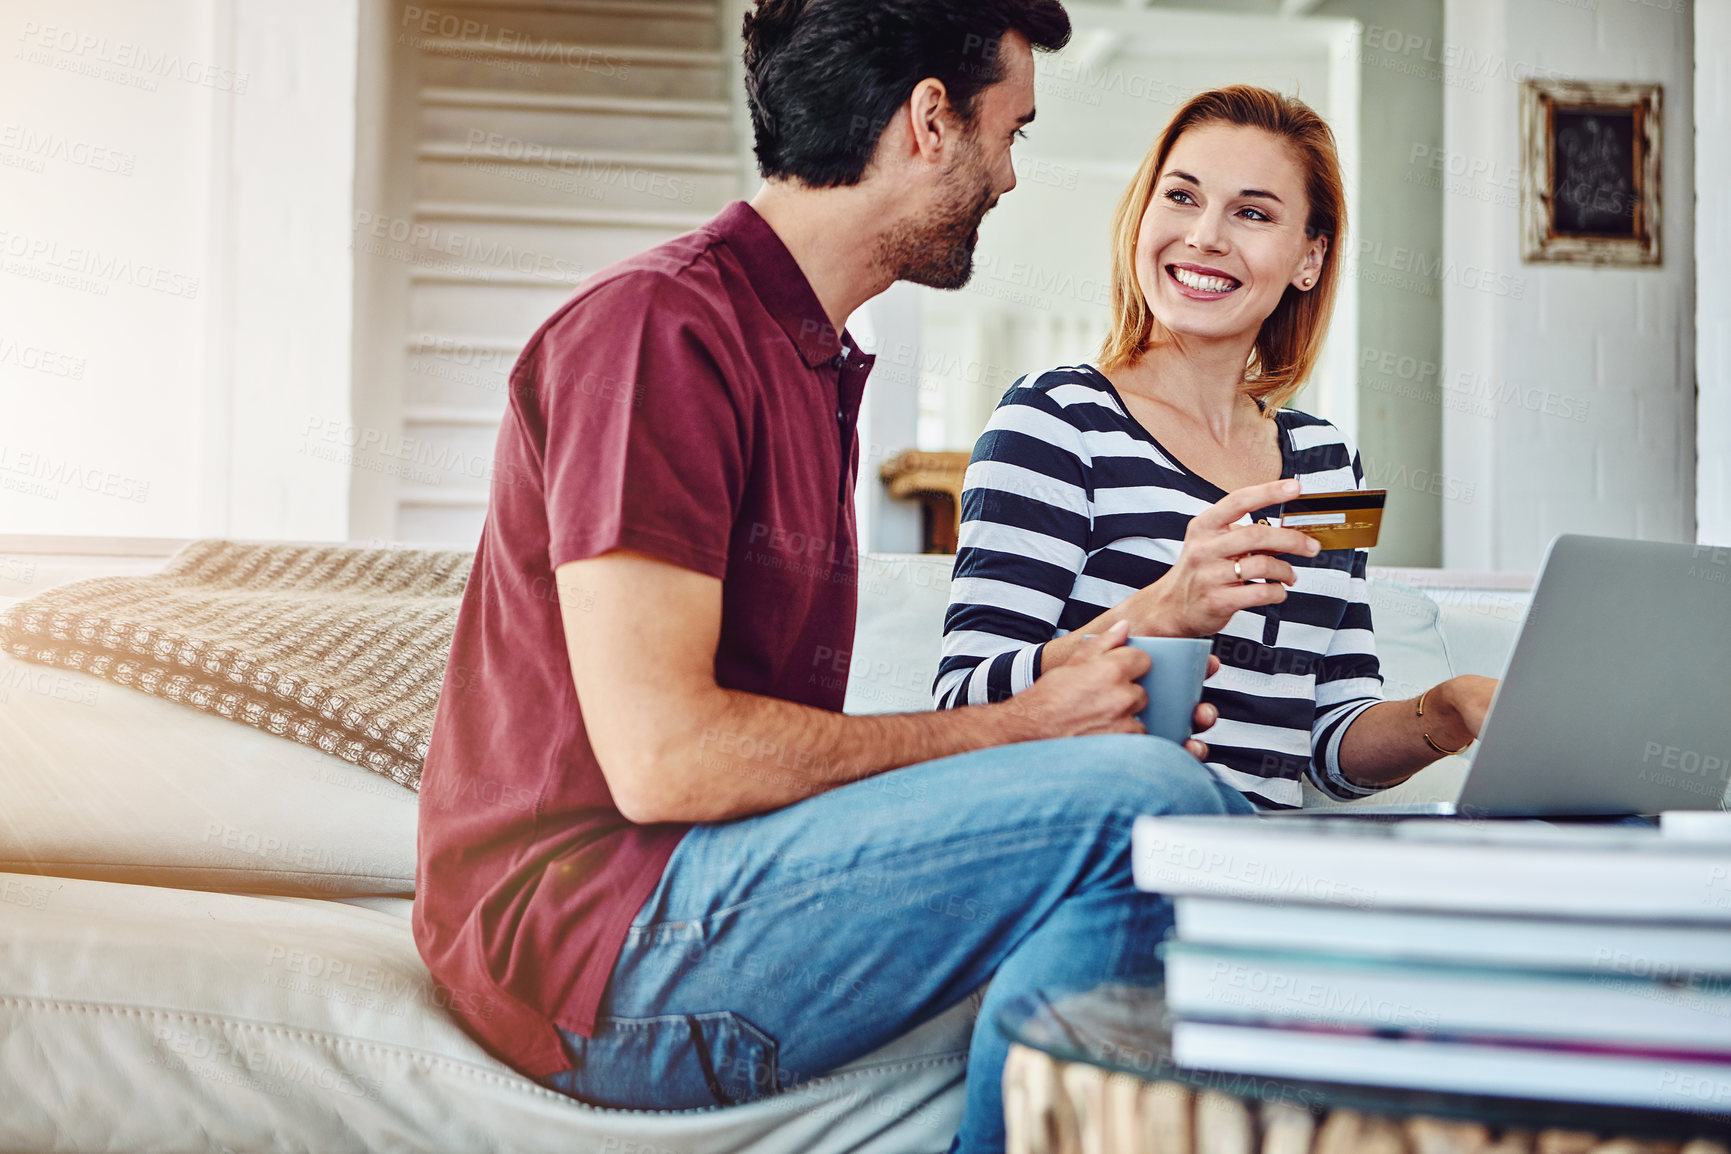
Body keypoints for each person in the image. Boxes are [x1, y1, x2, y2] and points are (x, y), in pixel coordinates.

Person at [413, 3, 1260, 1151]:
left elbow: (756, 761)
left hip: (701, 886)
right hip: (595, 946)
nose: (1010, 177)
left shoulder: (805, 357)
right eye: (1010, 130)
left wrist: (1052, 710)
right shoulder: (661, 330)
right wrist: (1018, 726)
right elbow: (670, 757)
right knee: (1153, 810)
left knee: (1160, 805)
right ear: (929, 122)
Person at [937, 85, 1498, 810]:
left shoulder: (1327, 465)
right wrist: (1165, 608)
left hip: (1258, 869)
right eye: (1180, 197)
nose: (1203, 235)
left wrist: (1447, 713)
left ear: (1309, 258)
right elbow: (962, 707)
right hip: (1109, 845)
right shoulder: (1054, 419)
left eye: (1252, 213)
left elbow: (1325, 741)